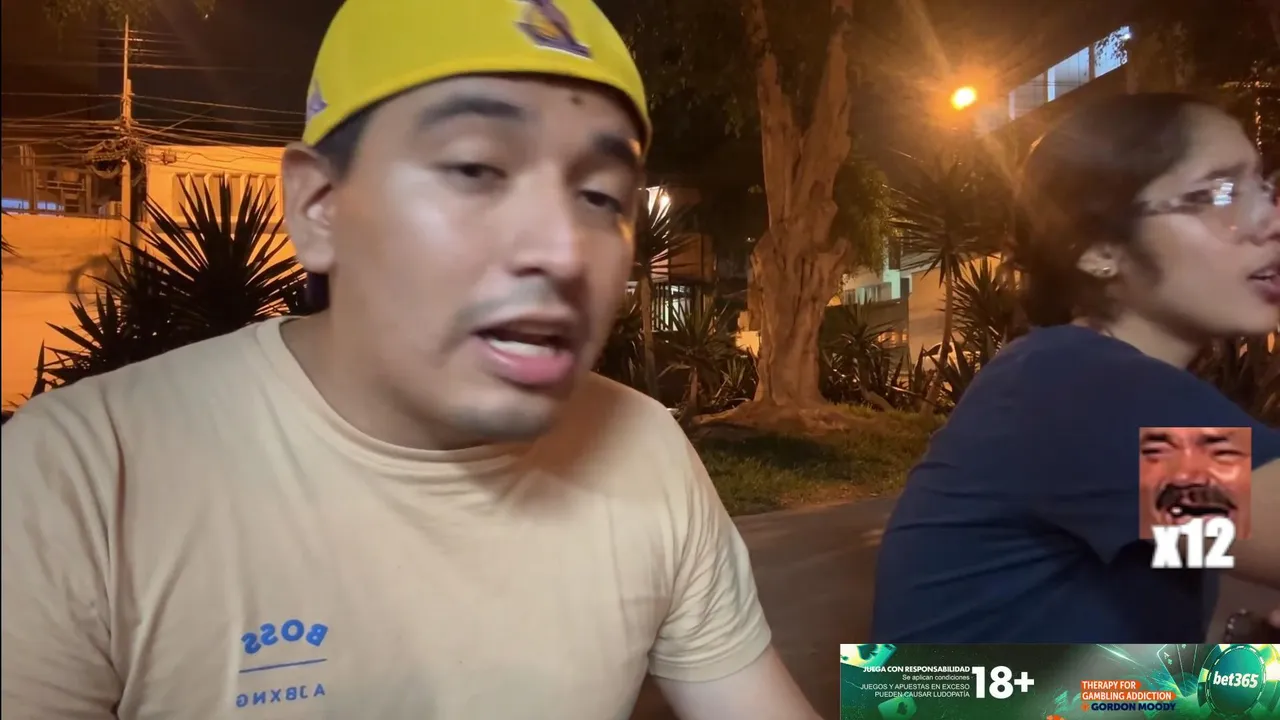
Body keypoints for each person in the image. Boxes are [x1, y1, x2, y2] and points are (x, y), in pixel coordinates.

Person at [0, 1, 819, 718]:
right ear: (319, 208)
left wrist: (905, 690)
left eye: (601, 197)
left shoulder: (645, 453)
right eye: (475, 168)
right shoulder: (80, 480)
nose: (564, 250)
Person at [871, 92, 1280, 643]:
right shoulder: (1078, 392)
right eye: (1220, 194)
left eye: (1263, 187)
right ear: (1098, 249)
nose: (1269, 221)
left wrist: (1250, 667)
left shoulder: (1064, 377)